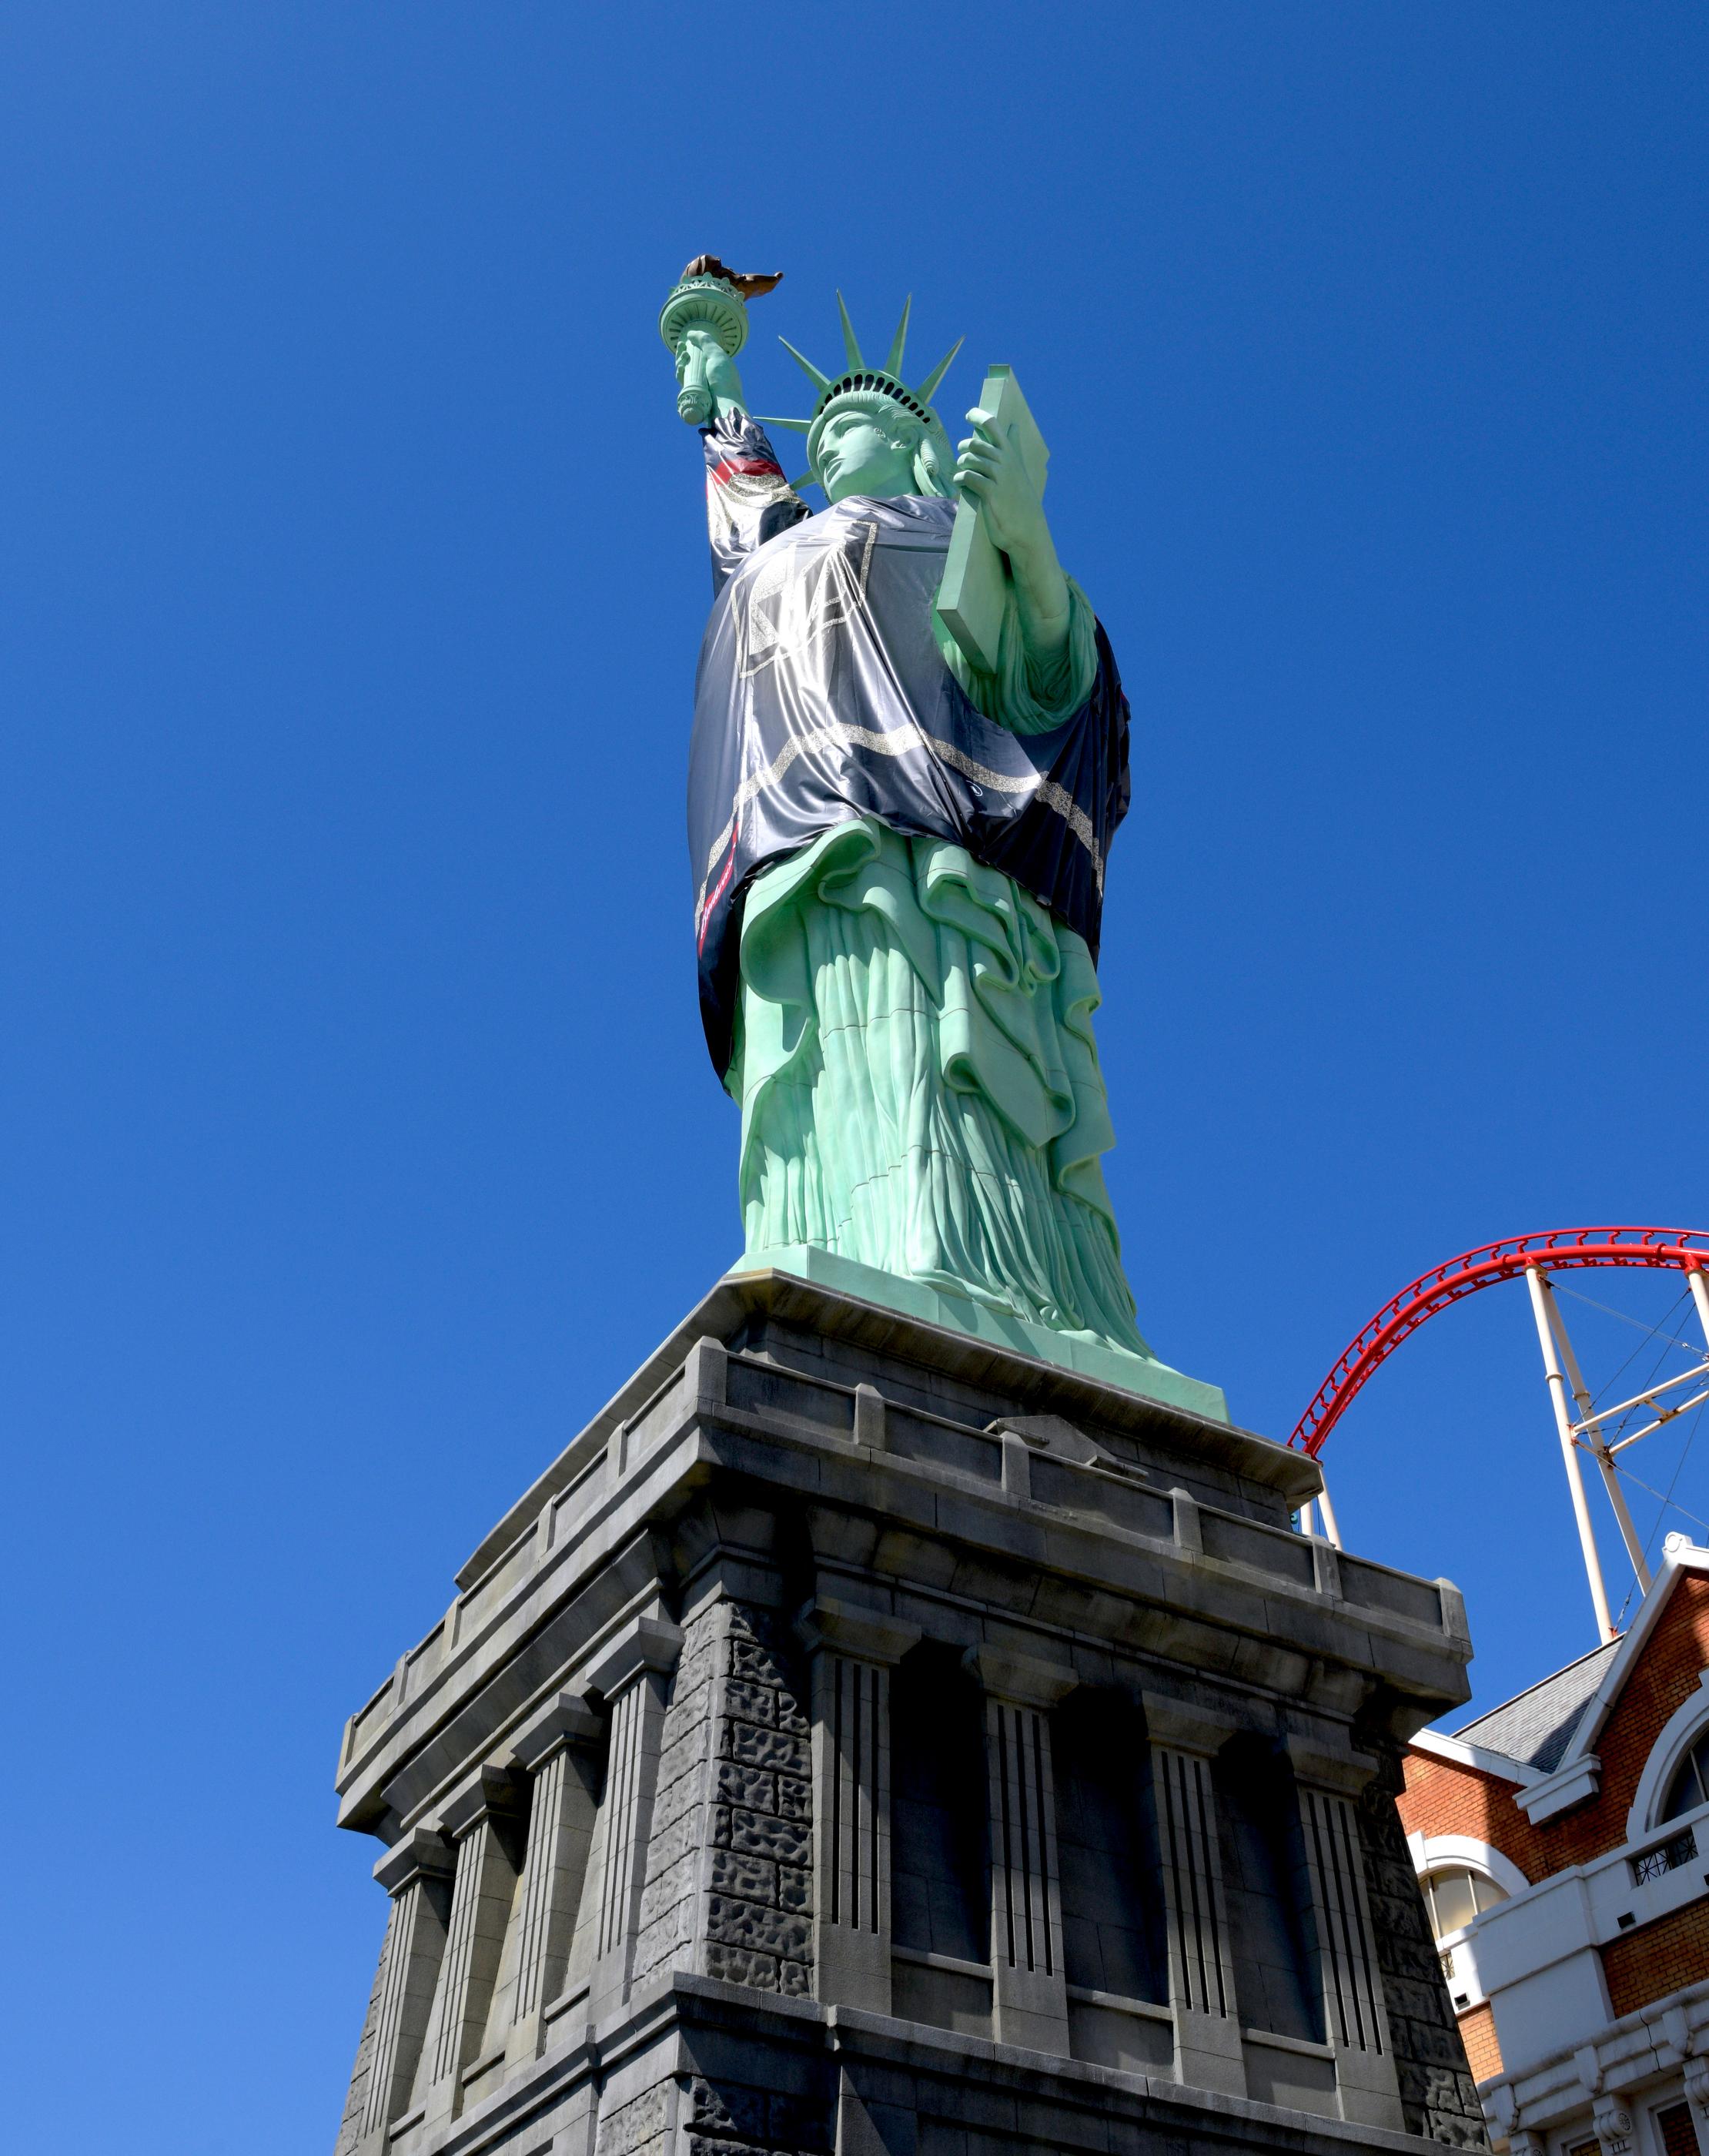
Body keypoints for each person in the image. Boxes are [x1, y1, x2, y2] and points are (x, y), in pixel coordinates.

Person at [665, 260, 1152, 1356]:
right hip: (796, 851)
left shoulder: (949, 537)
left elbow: (1052, 675)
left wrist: (1022, 536)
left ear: (924, 445)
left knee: (932, 1074)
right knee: (820, 1087)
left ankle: (969, 1272)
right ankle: (824, 1253)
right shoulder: (793, 546)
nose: (834, 438)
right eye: (822, 431)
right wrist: (712, 364)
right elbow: (747, 515)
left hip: (924, 863)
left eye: (862, 423)